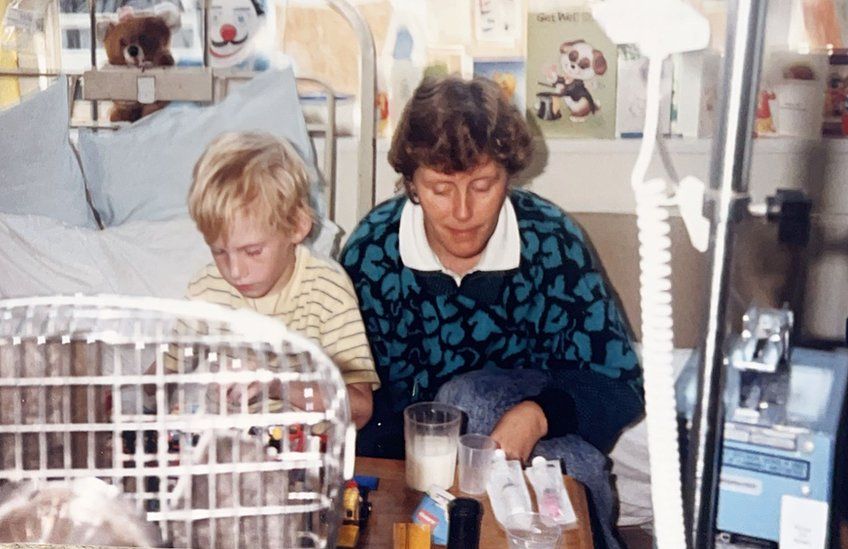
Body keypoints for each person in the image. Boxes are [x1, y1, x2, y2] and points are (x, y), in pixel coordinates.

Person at [340, 76, 642, 548]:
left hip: (541, 445)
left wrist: (536, 416)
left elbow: (618, 381)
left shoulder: (551, 243)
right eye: (441, 189)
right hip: (414, 466)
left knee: (552, 456)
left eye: (483, 185)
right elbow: (356, 399)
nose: (463, 212)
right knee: (464, 404)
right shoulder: (373, 253)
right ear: (411, 185)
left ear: (509, 174)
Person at [177, 131, 379, 428]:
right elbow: (160, 379)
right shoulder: (205, 290)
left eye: (252, 251)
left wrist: (278, 384)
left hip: (306, 460)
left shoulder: (326, 289)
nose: (235, 271)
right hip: (222, 457)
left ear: (297, 227)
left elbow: (360, 409)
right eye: (219, 251)